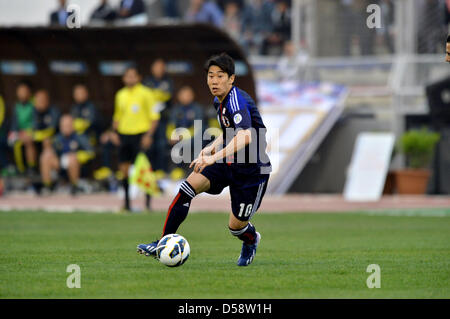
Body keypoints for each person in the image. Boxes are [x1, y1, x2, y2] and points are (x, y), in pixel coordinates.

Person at [137, 53, 271, 267]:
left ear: (231, 79)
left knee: (236, 227)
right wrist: (209, 150)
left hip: (251, 171)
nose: (214, 81)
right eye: (211, 76)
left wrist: (214, 156)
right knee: (187, 188)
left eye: (220, 76)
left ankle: (251, 239)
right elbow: (229, 132)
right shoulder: (219, 101)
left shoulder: (236, 100)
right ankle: (162, 242)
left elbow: (245, 136)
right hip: (227, 162)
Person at [112, 66, 160, 211]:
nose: (130, 79)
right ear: (124, 78)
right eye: (128, 76)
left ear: (138, 77)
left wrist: (148, 135)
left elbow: (154, 117)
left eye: (133, 76)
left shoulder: (146, 93)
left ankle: (147, 204)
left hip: (141, 135)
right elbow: (117, 116)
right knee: (124, 170)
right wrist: (113, 132)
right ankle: (127, 204)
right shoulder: (120, 95)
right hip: (124, 135)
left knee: (144, 169)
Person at [40, 114, 94, 196]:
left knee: (72, 158)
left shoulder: (80, 137)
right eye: (63, 126)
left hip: (78, 167)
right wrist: (48, 148)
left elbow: (91, 152)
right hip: (61, 166)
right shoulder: (58, 138)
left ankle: (74, 187)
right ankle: (47, 186)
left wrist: (77, 156)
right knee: (46, 155)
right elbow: (55, 153)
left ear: (72, 126)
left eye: (68, 125)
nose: (66, 128)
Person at [166, 85, 204, 180]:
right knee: (164, 143)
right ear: (179, 96)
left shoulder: (197, 109)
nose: (186, 97)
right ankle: (177, 170)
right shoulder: (176, 109)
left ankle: (190, 171)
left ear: (192, 96)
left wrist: (183, 135)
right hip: (178, 137)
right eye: (183, 95)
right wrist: (171, 136)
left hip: (193, 137)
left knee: (192, 142)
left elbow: (197, 127)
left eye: (188, 95)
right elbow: (171, 126)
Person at [143, 59, 174, 175]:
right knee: (149, 144)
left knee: (161, 144)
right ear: (152, 69)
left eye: (161, 67)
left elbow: (166, 96)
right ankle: (149, 170)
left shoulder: (168, 81)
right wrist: (156, 95)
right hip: (149, 120)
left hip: (163, 119)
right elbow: (144, 98)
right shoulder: (147, 81)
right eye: (157, 67)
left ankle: (161, 170)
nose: (159, 70)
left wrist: (153, 95)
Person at [8, 81, 36, 175]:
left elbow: (35, 121)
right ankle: (19, 168)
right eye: (20, 91)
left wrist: (28, 131)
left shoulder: (33, 105)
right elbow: (14, 123)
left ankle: (31, 167)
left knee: (28, 141)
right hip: (19, 132)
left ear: (29, 92)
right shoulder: (16, 106)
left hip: (30, 132)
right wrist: (14, 132)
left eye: (24, 91)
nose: (22, 94)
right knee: (13, 142)